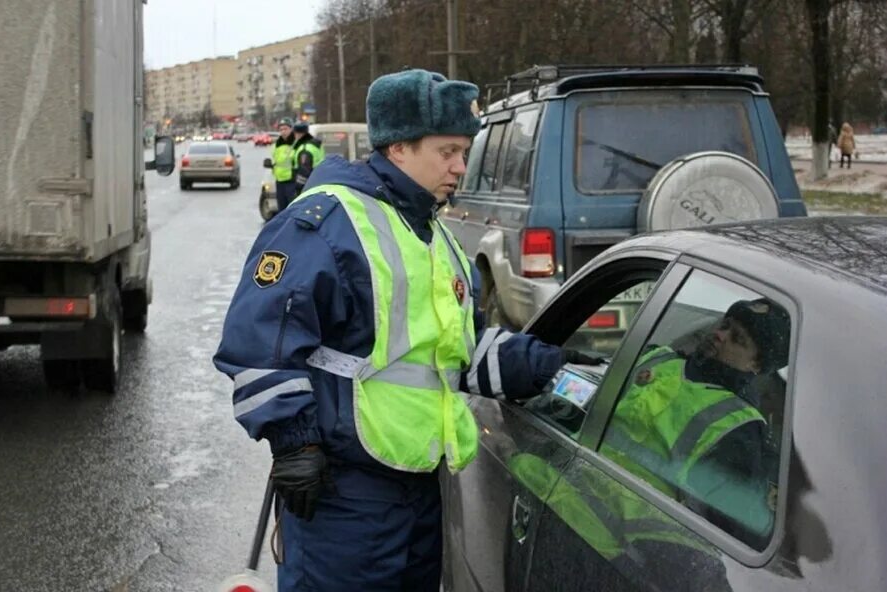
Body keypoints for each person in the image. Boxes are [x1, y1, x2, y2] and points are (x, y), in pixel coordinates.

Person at [214, 69, 565, 591]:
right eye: (446, 151)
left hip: (419, 489)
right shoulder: (328, 221)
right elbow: (260, 340)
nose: (460, 166)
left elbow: (457, 352)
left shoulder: (435, 234)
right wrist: (294, 443)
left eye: (464, 152)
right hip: (343, 497)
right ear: (398, 147)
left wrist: (549, 365)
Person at [601, 298, 790, 545]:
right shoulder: (658, 357)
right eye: (725, 325)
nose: (721, 335)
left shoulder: (736, 426)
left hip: (610, 538)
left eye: (737, 339)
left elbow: (732, 533)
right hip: (559, 483)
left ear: (755, 365)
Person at [291, 121, 325, 195]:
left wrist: (299, 189)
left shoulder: (305, 149)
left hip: (307, 188)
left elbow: (304, 172)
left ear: (298, 134)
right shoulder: (315, 145)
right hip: (317, 182)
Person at [270, 117, 296, 211]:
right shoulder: (277, 144)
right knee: (281, 208)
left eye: (285, 129)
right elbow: (274, 160)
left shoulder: (296, 143)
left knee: (292, 208)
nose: (283, 131)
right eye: (281, 129)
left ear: (291, 129)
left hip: (292, 181)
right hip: (279, 181)